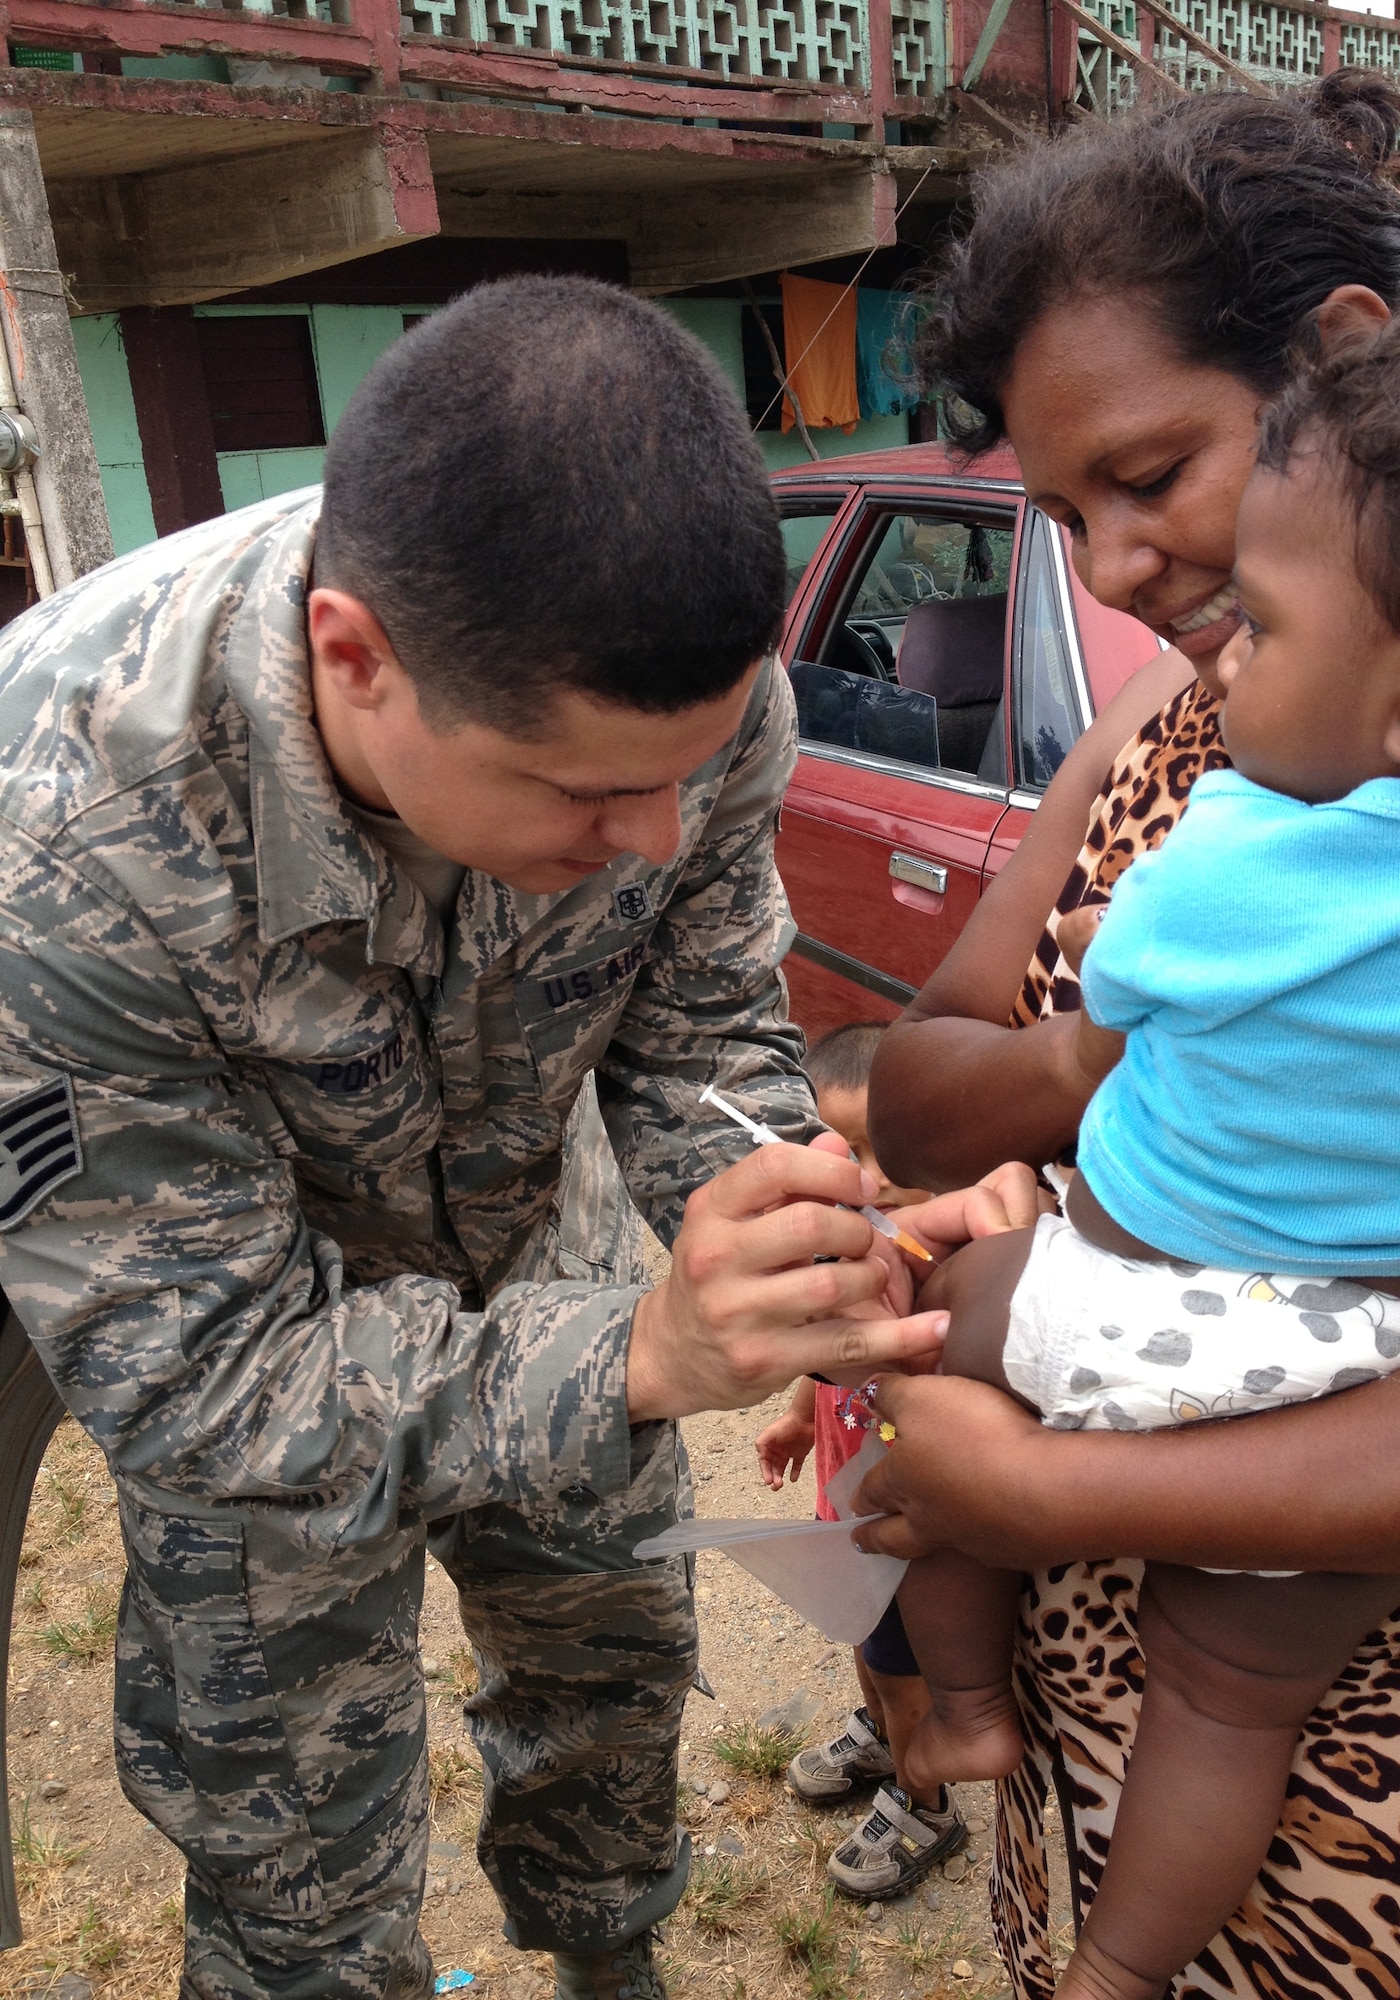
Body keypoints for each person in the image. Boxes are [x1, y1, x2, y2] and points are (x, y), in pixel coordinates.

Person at [0, 278, 954, 2000]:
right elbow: (199, 1380)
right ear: (355, 658)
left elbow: (697, 1036)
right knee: (292, 1838)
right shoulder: (64, 838)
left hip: (546, 1249)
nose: (655, 834)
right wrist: (641, 1356)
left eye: (691, 772)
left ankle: (608, 1962)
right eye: (586, 798)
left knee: (609, 1683)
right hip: (244, 1338)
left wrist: (784, 1204)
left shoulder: (679, 707)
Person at [853, 76, 1400, 2000]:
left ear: (1337, 368)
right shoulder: (1176, 737)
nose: (1115, 567)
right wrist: (1107, 1089)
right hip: (1104, 1757)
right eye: (1064, 516)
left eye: (1152, 475)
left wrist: (1055, 1494)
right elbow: (913, 1090)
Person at [754, 1023, 963, 1899]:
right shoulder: (845, 1255)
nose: (867, 1182)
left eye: (891, 1155)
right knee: (864, 1643)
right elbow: (827, 1351)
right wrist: (802, 1414)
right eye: (847, 1153)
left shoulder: (951, 1274)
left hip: (909, 1531)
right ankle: (880, 1735)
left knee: (906, 1669)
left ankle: (927, 1803)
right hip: (852, 1513)